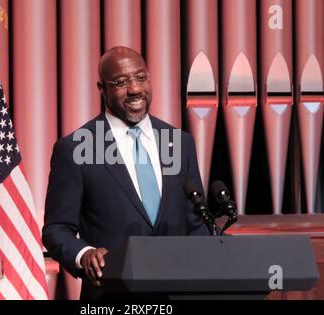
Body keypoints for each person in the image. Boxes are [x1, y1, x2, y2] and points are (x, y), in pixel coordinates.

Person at [42, 46, 208, 300]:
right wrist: (85, 254)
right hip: (112, 298)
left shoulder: (180, 143)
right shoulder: (75, 149)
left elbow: (196, 224)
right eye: (121, 82)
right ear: (102, 89)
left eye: (141, 78)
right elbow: (56, 229)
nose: (135, 89)